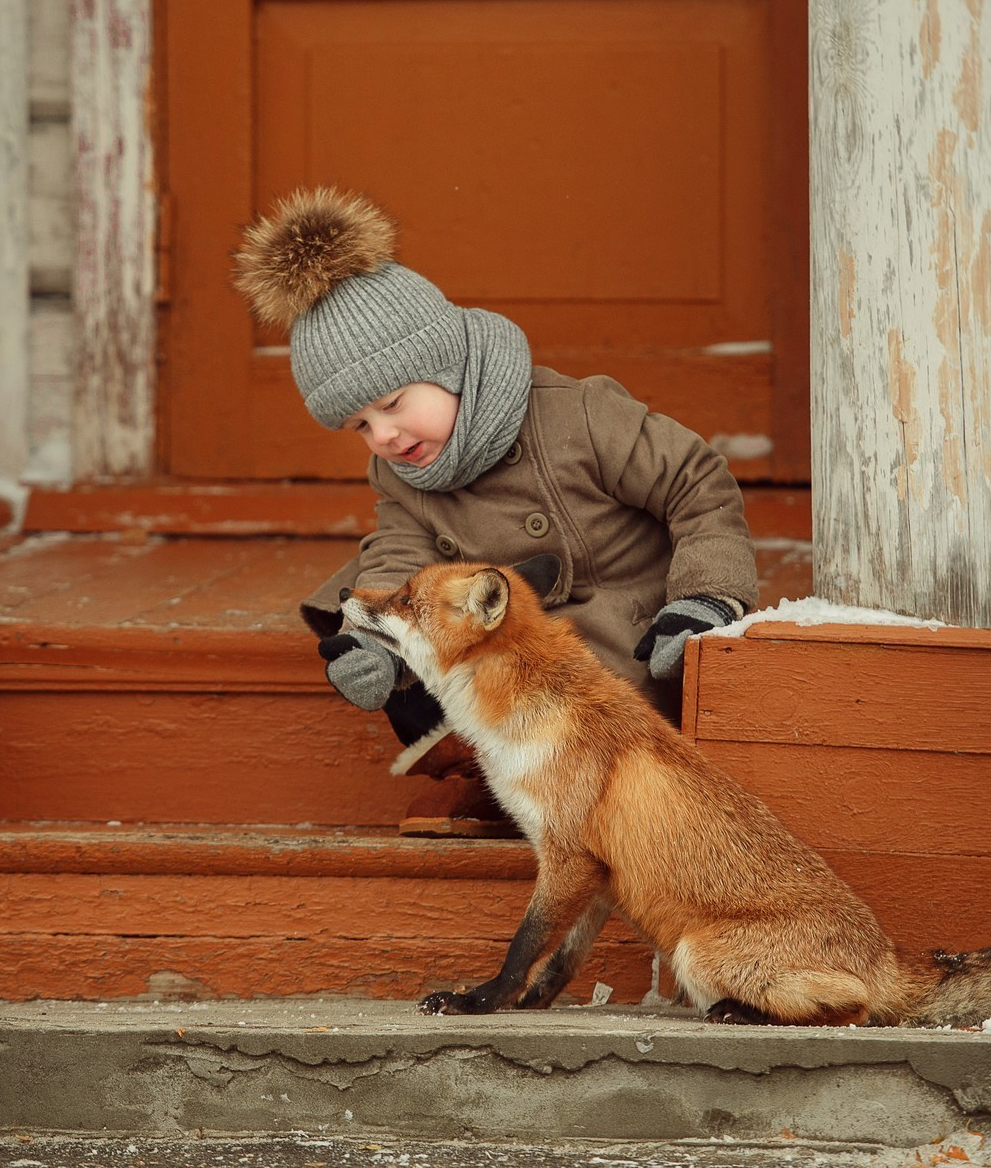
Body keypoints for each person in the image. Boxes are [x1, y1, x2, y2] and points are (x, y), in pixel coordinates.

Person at [233, 186, 758, 837]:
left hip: (621, 631)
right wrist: (379, 642)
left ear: (446, 363)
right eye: (360, 424)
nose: (386, 435)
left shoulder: (576, 416)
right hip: (505, 647)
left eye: (394, 402)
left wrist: (706, 597)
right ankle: (486, 773)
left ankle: (583, 786)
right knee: (386, 613)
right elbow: (398, 551)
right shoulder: (402, 474)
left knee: (592, 711)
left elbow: (695, 480)